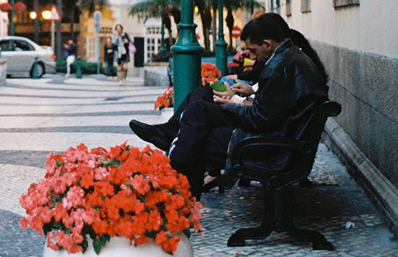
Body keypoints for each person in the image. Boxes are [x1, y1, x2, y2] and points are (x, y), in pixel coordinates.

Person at [132, 13, 328, 198]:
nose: (252, 57)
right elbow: (269, 111)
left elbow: (260, 118)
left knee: (195, 131)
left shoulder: (278, 66)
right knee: (202, 100)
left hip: (269, 147)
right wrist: (234, 100)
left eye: (253, 50)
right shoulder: (290, 58)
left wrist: (231, 103)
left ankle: (177, 191)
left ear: (267, 44)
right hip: (277, 137)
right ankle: (172, 150)